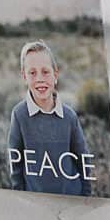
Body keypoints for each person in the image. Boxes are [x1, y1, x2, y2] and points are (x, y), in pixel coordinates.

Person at [7, 39, 94, 196]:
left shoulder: (69, 117)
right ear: (24, 77)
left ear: (55, 75)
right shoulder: (19, 115)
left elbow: (83, 159)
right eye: (32, 73)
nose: (39, 78)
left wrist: (86, 195)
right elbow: (15, 164)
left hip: (72, 197)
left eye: (45, 72)